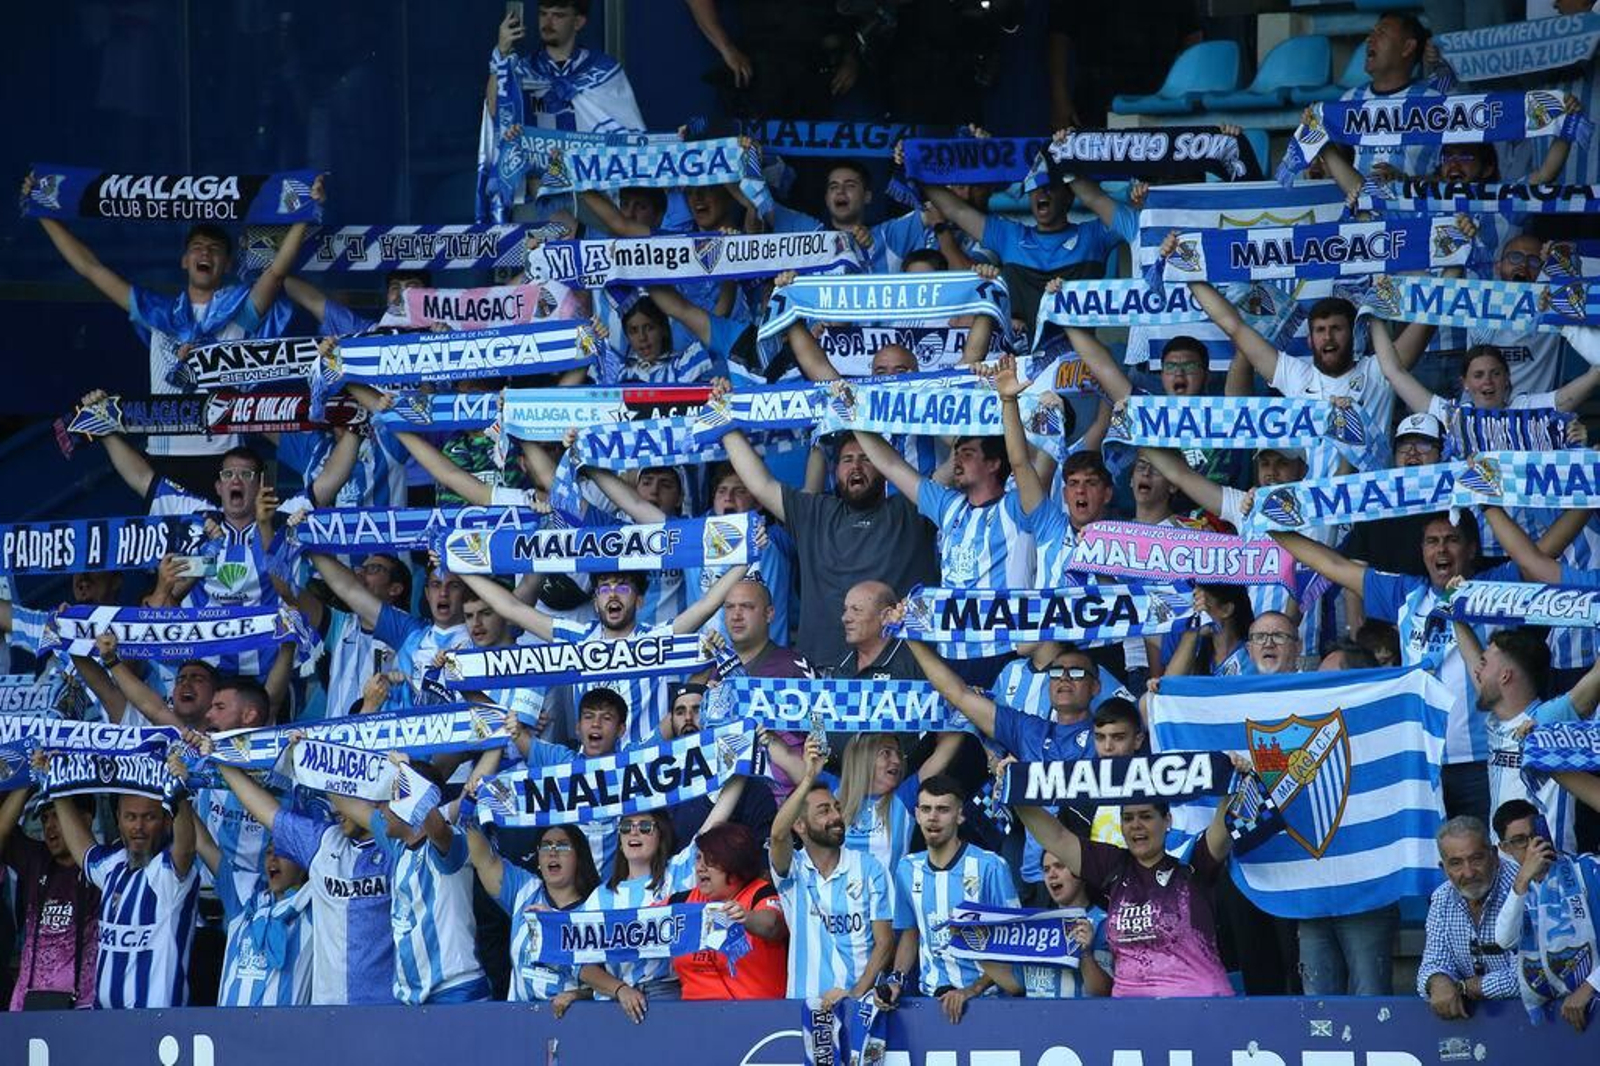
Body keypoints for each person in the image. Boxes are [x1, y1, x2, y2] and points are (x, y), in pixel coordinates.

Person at [27, 181, 318, 467]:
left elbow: (276, 273)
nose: (205, 253)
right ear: (184, 260)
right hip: (164, 457)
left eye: (215, 249)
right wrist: (41, 211)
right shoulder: (157, 313)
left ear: (227, 264)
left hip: (226, 459)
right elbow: (91, 269)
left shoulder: (240, 311)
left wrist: (306, 211)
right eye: (197, 247)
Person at [1273, 513, 1516, 822]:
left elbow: (1539, 557)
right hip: (1421, 762)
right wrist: (1269, 523)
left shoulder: (1495, 588)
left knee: (1486, 850)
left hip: (1482, 758)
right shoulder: (1407, 593)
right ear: (1422, 550)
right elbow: (1332, 565)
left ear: (1471, 549)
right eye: (1432, 541)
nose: (1441, 549)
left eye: (1452, 540)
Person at [460, 562, 748, 748]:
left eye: (622, 587)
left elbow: (707, 604)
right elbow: (512, 609)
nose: (612, 595)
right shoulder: (578, 637)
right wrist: (459, 567)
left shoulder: (656, 639)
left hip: (648, 767)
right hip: (592, 770)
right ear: (596, 601)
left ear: (639, 600)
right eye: (604, 589)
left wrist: (746, 555)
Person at [718, 427, 939, 667]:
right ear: (835, 469)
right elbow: (760, 484)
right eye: (847, 460)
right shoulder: (816, 512)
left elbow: (955, 463)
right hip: (821, 671)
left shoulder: (914, 509)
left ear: (884, 467)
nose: (856, 466)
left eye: (866, 458)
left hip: (899, 672)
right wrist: (723, 420)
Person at [209, 736, 396, 1005]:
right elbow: (266, 810)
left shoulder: (396, 847)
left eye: (347, 794)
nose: (336, 809)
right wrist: (219, 758)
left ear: (375, 797)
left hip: (387, 1008)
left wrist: (316, 763)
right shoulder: (324, 841)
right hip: (327, 1012)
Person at [1013, 780, 1243, 998]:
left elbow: (1225, 823)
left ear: (1167, 820)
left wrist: (1238, 781)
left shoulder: (1192, 862)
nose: (1136, 825)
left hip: (1199, 1006)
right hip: (1128, 1011)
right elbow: (1057, 837)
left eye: (1146, 816)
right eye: (1127, 818)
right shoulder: (1113, 866)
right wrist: (1012, 791)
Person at [853, 427, 1033, 685]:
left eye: (967, 454)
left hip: (1003, 649)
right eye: (956, 453)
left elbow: (1027, 462)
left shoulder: (1018, 506)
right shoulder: (949, 505)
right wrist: (851, 416)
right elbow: (890, 464)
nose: (957, 460)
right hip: (950, 651)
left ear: (994, 463)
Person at [323, 757, 488, 1004]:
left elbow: (434, 824)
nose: (378, 806)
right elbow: (344, 801)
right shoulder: (397, 846)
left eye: (388, 798)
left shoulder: (450, 843)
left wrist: (406, 772)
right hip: (412, 998)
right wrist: (307, 752)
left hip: (456, 991)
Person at [44, 777, 200, 1009]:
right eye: (131, 817)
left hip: (157, 1023)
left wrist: (180, 798)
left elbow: (186, 849)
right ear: (118, 819)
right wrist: (56, 785)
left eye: (149, 817)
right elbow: (81, 847)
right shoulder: (112, 866)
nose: (138, 826)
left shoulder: (168, 874)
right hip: (104, 1021)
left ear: (167, 821)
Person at [1454, 622, 1600, 855]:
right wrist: (1455, 613)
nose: (1476, 671)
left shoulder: (1547, 721)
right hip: (1505, 864)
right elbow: (1469, 656)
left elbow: (1595, 679)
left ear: (1505, 676)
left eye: (1484, 663)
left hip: (1552, 863)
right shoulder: (1496, 721)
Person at [881, 776, 1018, 1022]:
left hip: (987, 1003)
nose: (933, 817)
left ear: (960, 815)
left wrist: (971, 990)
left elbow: (1014, 944)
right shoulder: (906, 868)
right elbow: (910, 933)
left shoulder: (991, 866)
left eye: (943, 809)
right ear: (917, 815)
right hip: (931, 1001)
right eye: (926, 809)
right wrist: (896, 979)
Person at [769, 738, 894, 1005]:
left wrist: (855, 994)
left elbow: (884, 943)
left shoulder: (870, 868)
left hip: (860, 1006)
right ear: (800, 825)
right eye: (824, 811)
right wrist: (808, 778)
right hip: (804, 1005)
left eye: (836, 808)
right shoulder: (792, 869)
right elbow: (778, 835)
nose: (836, 816)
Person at [464, 819, 599, 1012]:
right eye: (545, 846)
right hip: (519, 1020)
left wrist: (577, 995)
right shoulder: (525, 889)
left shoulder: (595, 907)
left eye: (562, 846)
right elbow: (484, 860)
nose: (552, 852)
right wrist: (469, 813)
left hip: (571, 1018)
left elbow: (609, 981)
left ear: (579, 857)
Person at [1492, 817, 1600, 1031]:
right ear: (1505, 848)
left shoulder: (1588, 870)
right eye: (1520, 840)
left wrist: (1590, 986)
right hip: (1558, 1012)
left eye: (1535, 836)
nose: (1533, 847)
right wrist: (1523, 879)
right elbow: (1505, 940)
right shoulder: (1513, 888)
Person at [0, 789, 99, 1009]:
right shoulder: (36, 861)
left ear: (85, 819)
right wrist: (26, 783)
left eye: (57, 816)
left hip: (81, 1009)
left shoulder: (103, 868)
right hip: (25, 1007)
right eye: (44, 819)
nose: (49, 826)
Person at [670, 822, 789, 999]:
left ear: (734, 863)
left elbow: (772, 926)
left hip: (759, 1012)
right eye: (698, 858)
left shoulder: (760, 892)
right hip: (693, 1013)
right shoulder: (680, 902)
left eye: (710, 860)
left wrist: (745, 918)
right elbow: (628, 928)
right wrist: (624, 988)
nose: (700, 867)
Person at [1418, 816, 1520, 1019]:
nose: (1469, 872)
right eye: (1456, 863)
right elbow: (1432, 963)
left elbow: (1530, 978)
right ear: (1444, 868)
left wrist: (1464, 987)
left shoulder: (1522, 889)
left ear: (1494, 856)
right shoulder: (1442, 898)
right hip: (1473, 1023)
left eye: (1476, 859)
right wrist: (1438, 981)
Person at [977, 849, 1113, 999]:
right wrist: (971, 947)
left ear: (1080, 871)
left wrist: (1086, 954)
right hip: (1038, 1014)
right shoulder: (1037, 924)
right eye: (1046, 869)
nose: (1051, 874)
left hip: (1082, 1014)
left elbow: (1103, 992)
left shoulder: (1103, 922)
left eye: (1059, 866)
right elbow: (1016, 984)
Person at [828, 580, 922, 681]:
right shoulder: (840, 665)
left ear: (886, 616)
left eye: (856, 610)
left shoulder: (916, 662)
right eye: (845, 609)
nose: (845, 618)